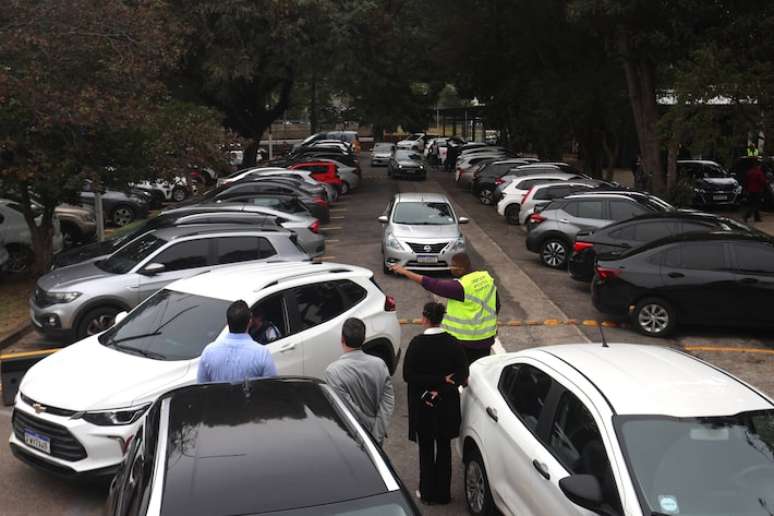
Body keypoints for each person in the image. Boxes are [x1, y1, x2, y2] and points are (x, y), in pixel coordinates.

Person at [403, 302, 469, 506]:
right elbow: (463, 373)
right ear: (442, 319)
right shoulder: (453, 343)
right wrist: (443, 381)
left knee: (425, 449)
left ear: (424, 318)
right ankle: (443, 494)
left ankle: (427, 492)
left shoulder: (416, 344)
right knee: (444, 448)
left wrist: (431, 383)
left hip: (423, 405)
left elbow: (408, 375)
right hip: (446, 405)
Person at [390, 252, 499, 364]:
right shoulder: (486, 278)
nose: (450, 268)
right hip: (486, 340)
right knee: (479, 371)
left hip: (466, 342)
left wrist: (405, 272)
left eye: (452, 265)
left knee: (462, 374)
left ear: (460, 269)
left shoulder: (461, 287)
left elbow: (432, 284)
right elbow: (497, 305)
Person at [324, 318, 395, 445]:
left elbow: (348, 408)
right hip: (377, 436)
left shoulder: (333, 372)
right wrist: (377, 434)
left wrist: (368, 436)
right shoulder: (379, 364)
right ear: (364, 338)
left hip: (354, 438)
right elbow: (387, 401)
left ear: (342, 339)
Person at [197, 300, 277, 383]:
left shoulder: (209, 352)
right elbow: (271, 388)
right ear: (250, 322)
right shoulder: (262, 354)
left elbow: (201, 388)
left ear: (227, 322)